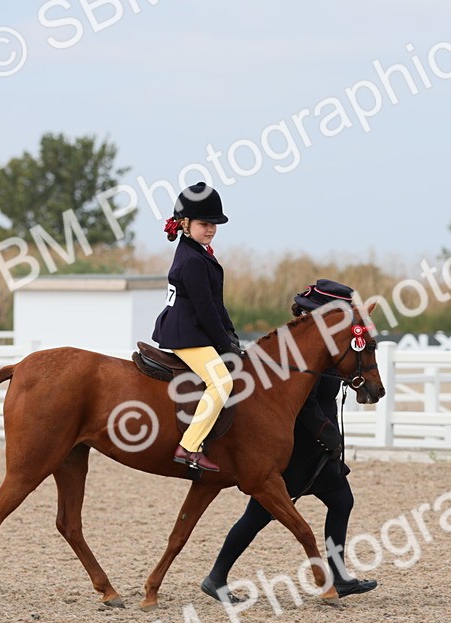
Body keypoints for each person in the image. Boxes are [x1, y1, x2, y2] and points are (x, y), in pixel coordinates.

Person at [201, 279, 378, 601]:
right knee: (259, 514)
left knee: (340, 501)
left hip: (318, 448)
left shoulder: (322, 344)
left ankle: (338, 576)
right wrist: (326, 432)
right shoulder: (300, 346)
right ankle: (216, 576)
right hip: (300, 445)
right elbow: (303, 402)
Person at [152, 183, 242, 473]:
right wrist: (223, 342)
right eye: (205, 224)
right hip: (186, 334)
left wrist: (231, 335)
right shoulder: (192, 260)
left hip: (192, 329)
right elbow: (205, 310)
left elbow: (217, 304)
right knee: (222, 382)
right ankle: (189, 446)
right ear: (185, 224)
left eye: (214, 224)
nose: (211, 229)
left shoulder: (199, 253)